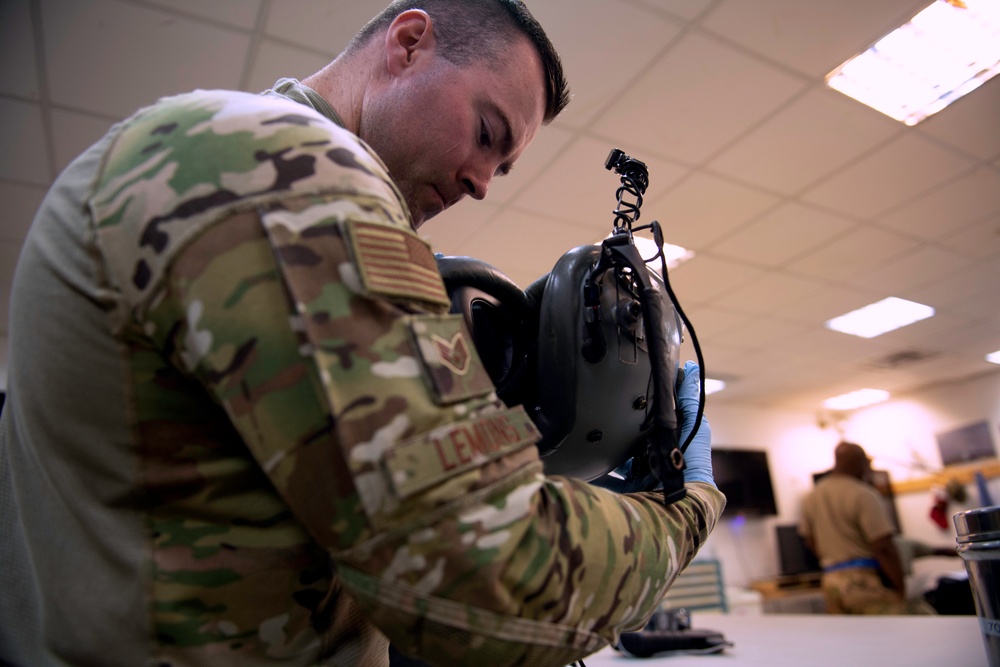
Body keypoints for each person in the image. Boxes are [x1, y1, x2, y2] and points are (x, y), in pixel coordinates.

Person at [0, 1, 724, 665]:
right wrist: (686, 505)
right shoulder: (286, 167)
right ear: (409, 43)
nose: (481, 183)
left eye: (502, 167)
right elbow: (487, 578)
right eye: (486, 133)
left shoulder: (219, 158)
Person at [799, 442, 933, 615]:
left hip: (831, 583)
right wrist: (900, 589)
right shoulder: (862, 494)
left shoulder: (811, 496)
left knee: (849, 639)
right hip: (863, 583)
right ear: (858, 462)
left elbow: (809, 540)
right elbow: (883, 546)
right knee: (899, 631)